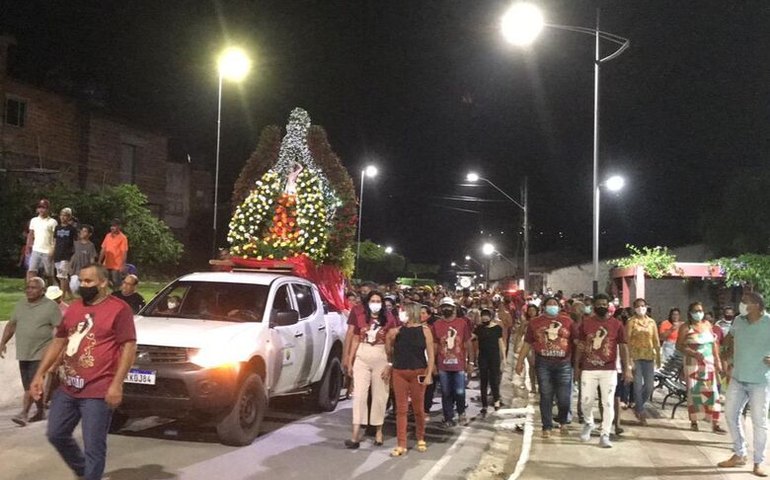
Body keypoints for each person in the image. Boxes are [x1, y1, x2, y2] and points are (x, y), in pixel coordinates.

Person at [29, 263, 137, 480]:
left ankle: (91, 475)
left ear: (103, 283)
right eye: (81, 280)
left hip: (98, 390)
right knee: (56, 433)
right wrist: (39, 374)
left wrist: (117, 384)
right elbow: (59, 341)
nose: (83, 285)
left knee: (94, 446)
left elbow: (129, 347)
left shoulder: (119, 309)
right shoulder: (75, 308)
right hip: (68, 387)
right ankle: (84, 471)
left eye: (89, 281)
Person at [717, 291, 770, 477]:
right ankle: (739, 453)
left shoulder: (769, 322)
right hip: (738, 377)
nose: (741, 304)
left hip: (760, 381)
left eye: (745, 302)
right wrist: (726, 350)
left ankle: (759, 462)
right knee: (730, 414)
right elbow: (730, 337)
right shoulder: (739, 320)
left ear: (756, 305)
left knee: (759, 422)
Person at [0, 277, 62, 426]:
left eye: (34, 288)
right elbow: (11, 324)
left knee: (30, 386)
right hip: (24, 352)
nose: (29, 290)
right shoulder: (21, 304)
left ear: (42, 291)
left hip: (41, 352)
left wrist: (56, 350)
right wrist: (2, 342)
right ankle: (40, 411)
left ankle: (24, 413)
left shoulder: (51, 306)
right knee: (30, 384)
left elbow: (60, 329)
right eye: (28, 287)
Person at [575, 293, 631, 448]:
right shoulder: (586, 323)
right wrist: (576, 367)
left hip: (609, 370)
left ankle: (605, 434)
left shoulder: (616, 324)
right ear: (594, 306)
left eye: (604, 304)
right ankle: (588, 422)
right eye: (598, 304)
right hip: (588, 368)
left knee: (607, 403)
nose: (601, 307)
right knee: (586, 401)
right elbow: (580, 345)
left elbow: (623, 347)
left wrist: (627, 369)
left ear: (609, 306)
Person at [516, 297, 576, 437]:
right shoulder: (535, 323)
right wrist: (520, 362)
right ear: (543, 307)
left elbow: (576, 341)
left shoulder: (568, 322)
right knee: (546, 394)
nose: (552, 306)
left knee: (564, 397)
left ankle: (562, 421)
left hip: (564, 364)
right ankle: (546, 426)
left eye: (555, 304)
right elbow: (527, 343)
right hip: (543, 363)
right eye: (549, 304)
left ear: (560, 307)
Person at [344, 291, 397, 448]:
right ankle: (355, 434)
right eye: (373, 300)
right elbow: (354, 338)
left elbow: (393, 343)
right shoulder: (359, 314)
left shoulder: (389, 318)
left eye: (378, 300)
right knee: (359, 395)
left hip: (381, 356)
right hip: (362, 354)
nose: (375, 303)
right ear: (368, 302)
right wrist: (349, 359)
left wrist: (390, 364)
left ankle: (378, 431)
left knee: (380, 395)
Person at [385, 303, 435, 457]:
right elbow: (389, 352)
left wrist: (428, 375)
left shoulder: (425, 331)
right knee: (401, 410)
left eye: (404, 311)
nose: (401, 314)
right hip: (399, 372)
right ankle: (401, 444)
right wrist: (389, 338)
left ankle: (420, 436)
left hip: (418, 372)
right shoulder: (397, 331)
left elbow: (431, 355)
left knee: (418, 408)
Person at [676, 302, 725, 434]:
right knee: (695, 392)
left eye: (700, 310)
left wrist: (717, 360)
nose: (698, 313)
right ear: (690, 312)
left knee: (712, 392)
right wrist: (692, 352)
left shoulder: (708, 325)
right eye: (696, 310)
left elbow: (714, 343)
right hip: (693, 363)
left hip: (708, 362)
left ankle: (715, 422)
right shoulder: (686, 327)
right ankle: (694, 421)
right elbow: (679, 346)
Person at [432, 296, 473, 428]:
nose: (447, 309)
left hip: (459, 365)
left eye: (449, 307)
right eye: (444, 307)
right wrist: (432, 364)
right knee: (446, 392)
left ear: (454, 308)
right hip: (443, 365)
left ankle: (461, 413)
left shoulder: (462, 323)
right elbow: (434, 345)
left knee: (460, 391)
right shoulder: (436, 325)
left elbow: (467, 343)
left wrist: (471, 362)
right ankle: (448, 417)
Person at [626, 298, 661, 425]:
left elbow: (656, 339)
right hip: (635, 356)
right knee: (636, 385)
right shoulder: (631, 322)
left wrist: (658, 357)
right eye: (638, 306)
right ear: (634, 308)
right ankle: (640, 411)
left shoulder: (651, 322)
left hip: (648, 356)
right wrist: (629, 359)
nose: (641, 308)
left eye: (643, 306)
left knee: (649, 386)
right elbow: (627, 341)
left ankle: (638, 404)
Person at [475, 308, 505, 417]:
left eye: (486, 315)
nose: (484, 317)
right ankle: (484, 405)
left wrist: (504, 359)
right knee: (483, 381)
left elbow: (501, 343)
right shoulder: (479, 328)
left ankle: (496, 400)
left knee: (494, 379)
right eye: (483, 315)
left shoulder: (497, 328)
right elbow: (472, 338)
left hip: (494, 357)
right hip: (483, 357)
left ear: (491, 316)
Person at [26, 198, 59, 284]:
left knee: (49, 274)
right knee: (32, 270)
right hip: (36, 249)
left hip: (47, 250)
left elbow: (55, 237)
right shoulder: (34, 220)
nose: (41, 209)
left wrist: (53, 250)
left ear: (48, 209)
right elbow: (31, 234)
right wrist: (28, 246)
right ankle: (31, 288)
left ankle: (51, 290)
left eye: (44, 207)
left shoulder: (53, 222)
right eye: (40, 207)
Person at [53, 207, 79, 300]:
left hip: (66, 255)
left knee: (63, 276)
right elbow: (55, 241)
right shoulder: (57, 228)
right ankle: (70, 294)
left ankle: (62, 296)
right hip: (57, 254)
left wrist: (74, 255)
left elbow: (76, 242)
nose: (63, 217)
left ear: (69, 217)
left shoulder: (72, 229)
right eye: (62, 215)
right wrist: (53, 252)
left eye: (66, 216)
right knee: (60, 276)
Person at [99, 218, 129, 289]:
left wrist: (123, 265)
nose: (112, 228)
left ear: (119, 227)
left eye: (114, 226)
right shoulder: (107, 236)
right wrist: (99, 261)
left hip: (116, 265)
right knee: (105, 280)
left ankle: (117, 295)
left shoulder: (123, 238)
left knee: (116, 282)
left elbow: (124, 252)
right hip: (106, 263)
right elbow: (103, 249)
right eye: (111, 226)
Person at [69, 224, 98, 295]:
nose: (82, 232)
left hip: (85, 271)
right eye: (82, 231)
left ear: (89, 234)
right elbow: (72, 256)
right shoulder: (75, 243)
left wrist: (92, 270)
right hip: (75, 270)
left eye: (85, 231)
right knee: (73, 287)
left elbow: (92, 259)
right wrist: (70, 266)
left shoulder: (91, 245)